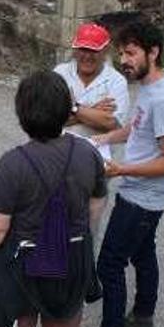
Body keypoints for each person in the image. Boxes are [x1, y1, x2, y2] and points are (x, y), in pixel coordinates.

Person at [0, 71, 107, 327]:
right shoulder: (87, 153)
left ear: (22, 113)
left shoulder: (13, 164)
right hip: (72, 259)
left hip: (22, 266)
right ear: (67, 111)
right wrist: (82, 239)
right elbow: (96, 204)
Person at [78, 21, 164, 327]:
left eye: (131, 53)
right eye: (121, 53)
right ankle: (142, 318)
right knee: (143, 252)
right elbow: (137, 126)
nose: (124, 60)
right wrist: (103, 140)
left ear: (152, 52)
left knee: (109, 264)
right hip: (142, 194)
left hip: (143, 197)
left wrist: (122, 171)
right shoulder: (152, 87)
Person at [54, 22, 129, 240]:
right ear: (75, 49)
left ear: (105, 51)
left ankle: (84, 267)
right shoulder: (60, 73)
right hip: (58, 157)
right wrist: (94, 111)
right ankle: (53, 260)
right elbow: (50, 117)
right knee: (55, 211)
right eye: (83, 49)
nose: (87, 56)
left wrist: (73, 107)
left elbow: (111, 124)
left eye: (94, 50)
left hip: (97, 162)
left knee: (89, 220)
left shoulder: (116, 81)